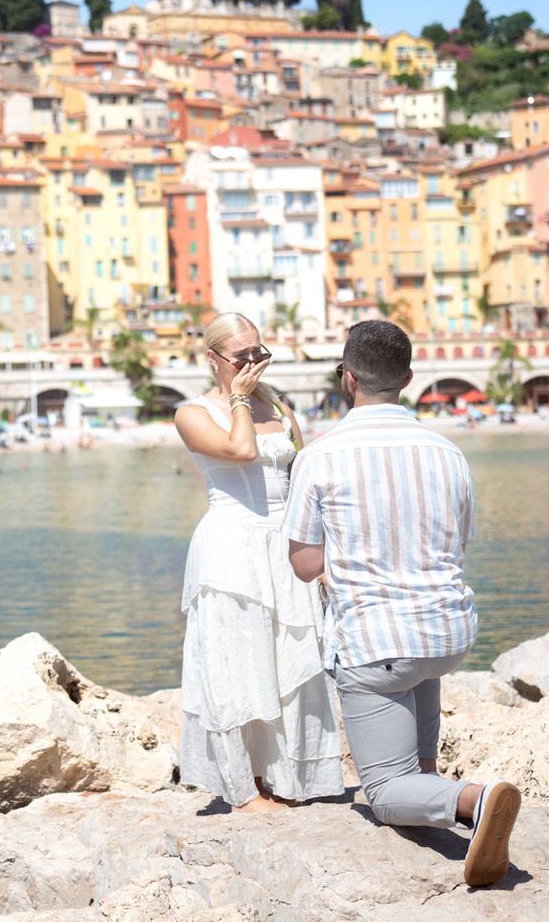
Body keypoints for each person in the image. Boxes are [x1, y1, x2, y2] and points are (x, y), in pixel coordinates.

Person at [284, 319, 520, 887]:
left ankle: (476, 801)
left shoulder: (320, 456)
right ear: (408, 379)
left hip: (378, 647)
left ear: (347, 379)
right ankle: (431, 783)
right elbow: (459, 543)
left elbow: (305, 566)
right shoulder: (448, 452)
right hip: (447, 638)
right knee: (414, 681)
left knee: (383, 790)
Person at [171, 313, 344, 812]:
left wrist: (321, 549)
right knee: (235, 666)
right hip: (230, 547)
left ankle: (285, 778)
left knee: (285, 661)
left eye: (259, 353)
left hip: (281, 544)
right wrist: (242, 398)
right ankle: (243, 792)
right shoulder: (194, 413)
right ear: (214, 360)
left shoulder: (281, 407)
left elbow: (303, 475)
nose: (252, 364)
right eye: (241, 356)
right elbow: (241, 451)